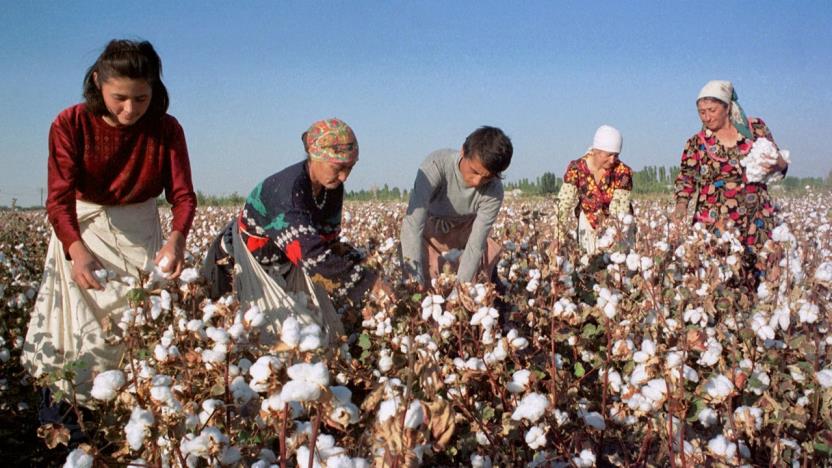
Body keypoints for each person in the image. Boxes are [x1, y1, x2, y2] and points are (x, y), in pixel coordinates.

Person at [22, 40, 197, 405]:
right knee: (77, 334)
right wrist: (76, 251)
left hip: (140, 236)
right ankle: (69, 423)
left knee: (140, 329)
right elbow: (58, 199)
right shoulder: (71, 123)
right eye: (119, 97)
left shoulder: (166, 129)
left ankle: (131, 421)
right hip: (83, 235)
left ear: (154, 91)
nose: (130, 109)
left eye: (141, 98)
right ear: (98, 81)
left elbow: (182, 196)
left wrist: (177, 238)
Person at [202, 118, 380, 341]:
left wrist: (364, 264)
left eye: (350, 168)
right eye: (339, 167)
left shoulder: (331, 188)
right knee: (258, 342)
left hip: (285, 264)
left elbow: (329, 243)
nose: (344, 176)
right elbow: (315, 259)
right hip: (237, 265)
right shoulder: (287, 192)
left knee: (319, 337)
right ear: (314, 156)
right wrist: (368, 283)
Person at [672, 80, 788, 285]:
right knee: (719, 279)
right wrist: (681, 205)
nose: (706, 117)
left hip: (756, 221)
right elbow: (686, 178)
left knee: (761, 278)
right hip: (716, 224)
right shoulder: (696, 143)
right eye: (701, 112)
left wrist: (778, 163)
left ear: (727, 107)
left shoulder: (755, 129)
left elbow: (780, 164)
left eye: (711, 110)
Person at [400, 126, 513, 288]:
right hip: (430, 235)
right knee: (423, 288)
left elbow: (475, 244)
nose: (477, 182)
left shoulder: (494, 191)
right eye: (474, 171)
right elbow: (413, 223)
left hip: (465, 239)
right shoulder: (436, 165)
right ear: (463, 152)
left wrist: (461, 289)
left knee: (475, 290)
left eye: (486, 178)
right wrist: (413, 278)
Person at [556, 125, 633, 254]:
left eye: (616, 155)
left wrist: (612, 236)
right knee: (589, 263)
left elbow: (619, 209)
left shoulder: (622, 172)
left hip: (617, 226)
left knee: (616, 263)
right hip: (588, 222)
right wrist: (558, 236)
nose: (613, 160)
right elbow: (564, 203)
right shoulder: (577, 168)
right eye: (609, 155)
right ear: (596, 150)